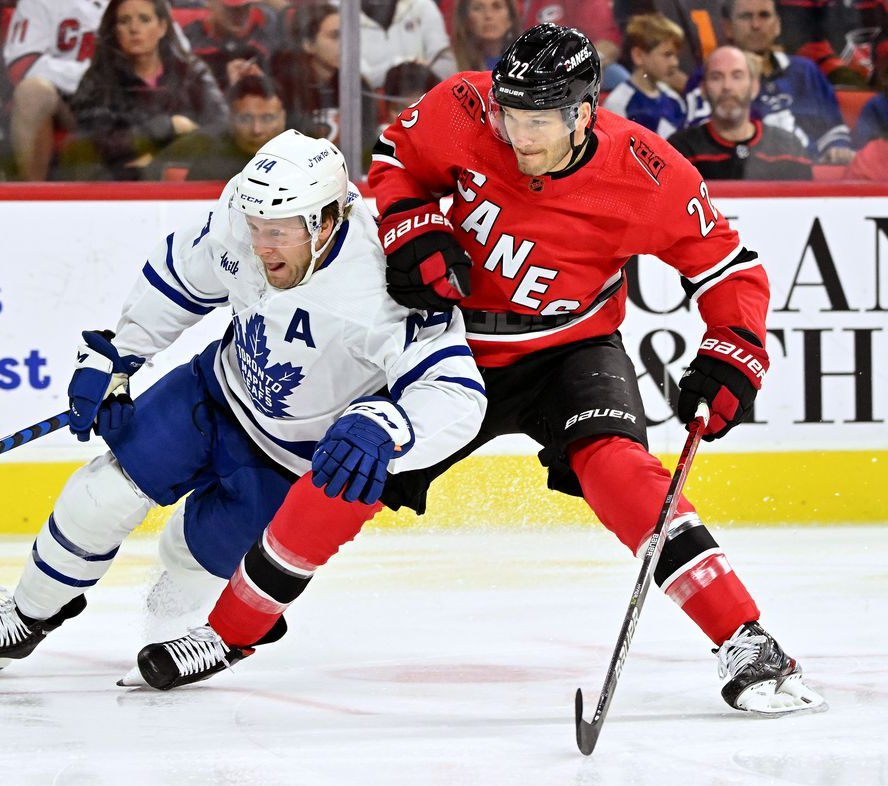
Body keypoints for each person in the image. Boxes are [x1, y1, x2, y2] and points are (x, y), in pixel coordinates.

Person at [137, 24, 827, 719]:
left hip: (568, 349)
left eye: (536, 121)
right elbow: (394, 159)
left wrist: (735, 348)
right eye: (509, 114)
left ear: (583, 112)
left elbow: (729, 268)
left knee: (618, 469)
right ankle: (226, 633)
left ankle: (745, 637)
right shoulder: (465, 108)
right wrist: (413, 226)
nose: (517, 135)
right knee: (348, 464)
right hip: (447, 344)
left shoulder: (649, 173)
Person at [0, 131, 486, 676]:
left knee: (189, 561)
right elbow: (179, 280)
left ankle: (200, 629)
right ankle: (24, 617)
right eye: (257, 225)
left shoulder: (384, 283)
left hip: (290, 460)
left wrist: (389, 425)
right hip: (212, 394)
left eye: (280, 231)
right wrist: (117, 357)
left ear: (329, 220)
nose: (261, 246)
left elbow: (455, 392)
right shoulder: (241, 223)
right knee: (98, 496)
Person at [62, 0, 227, 180]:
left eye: (144, 19)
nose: (134, 28)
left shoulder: (191, 73)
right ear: (115, 30)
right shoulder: (97, 80)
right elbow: (95, 144)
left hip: (190, 180)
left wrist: (158, 158)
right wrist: (166, 127)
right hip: (119, 186)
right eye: (124, 21)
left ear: (162, 27)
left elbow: (221, 129)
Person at [683, 0, 854, 164]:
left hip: (807, 177)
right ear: (728, 27)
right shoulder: (710, 77)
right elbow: (700, 141)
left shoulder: (805, 72)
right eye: (746, 16)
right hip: (740, 177)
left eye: (764, 15)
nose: (756, 25)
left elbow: (834, 132)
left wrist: (836, 150)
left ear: (777, 24)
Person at [2, 0, 107, 180]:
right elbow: (21, 66)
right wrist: (87, 77)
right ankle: (32, 199)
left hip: (121, 98)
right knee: (32, 92)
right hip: (66, 104)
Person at [669, 46, 812, 179]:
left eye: (737, 76)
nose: (727, 86)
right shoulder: (679, 151)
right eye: (716, 77)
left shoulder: (789, 147)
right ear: (703, 89)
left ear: (755, 87)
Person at [270, 3, 377, 158]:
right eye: (335, 36)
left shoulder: (359, 86)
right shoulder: (284, 88)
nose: (346, 44)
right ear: (308, 44)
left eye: (348, 35)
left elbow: (366, 148)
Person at [150, 73, 287, 180]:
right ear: (230, 119)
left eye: (267, 118)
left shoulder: (305, 154)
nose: (257, 129)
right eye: (245, 119)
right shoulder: (203, 155)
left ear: (283, 118)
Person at [603, 13, 688, 137]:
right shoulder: (619, 104)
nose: (675, 62)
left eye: (676, 55)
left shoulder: (674, 100)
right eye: (667, 54)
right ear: (638, 55)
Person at [180, 0, 282, 89]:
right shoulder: (189, 42)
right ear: (209, 2)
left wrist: (260, 84)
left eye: (246, 7)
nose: (240, 14)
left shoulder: (262, 42)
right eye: (231, 9)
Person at [359, 0, 457, 90]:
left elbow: (445, 62)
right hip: (369, 105)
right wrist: (406, 64)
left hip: (423, 97)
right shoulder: (345, 19)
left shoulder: (422, 5)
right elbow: (360, 76)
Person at [450, 0, 519, 73]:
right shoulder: (451, 62)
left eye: (497, 7)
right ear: (466, 19)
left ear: (510, 18)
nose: (488, 15)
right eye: (478, 8)